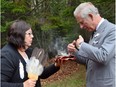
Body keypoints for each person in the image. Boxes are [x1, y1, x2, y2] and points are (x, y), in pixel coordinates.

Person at [1, 20, 64, 87]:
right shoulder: (7, 55)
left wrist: (56, 65)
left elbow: (42, 73)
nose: (32, 36)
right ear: (19, 35)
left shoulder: (29, 52)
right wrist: (23, 85)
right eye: (29, 34)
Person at [67, 2, 115, 87]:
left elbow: (104, 56)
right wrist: (74, 52)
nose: (81, 27)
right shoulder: (94, 33)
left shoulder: (112, 30)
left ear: (91, 16)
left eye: (82, 22)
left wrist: (81, 45)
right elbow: (89, 61)